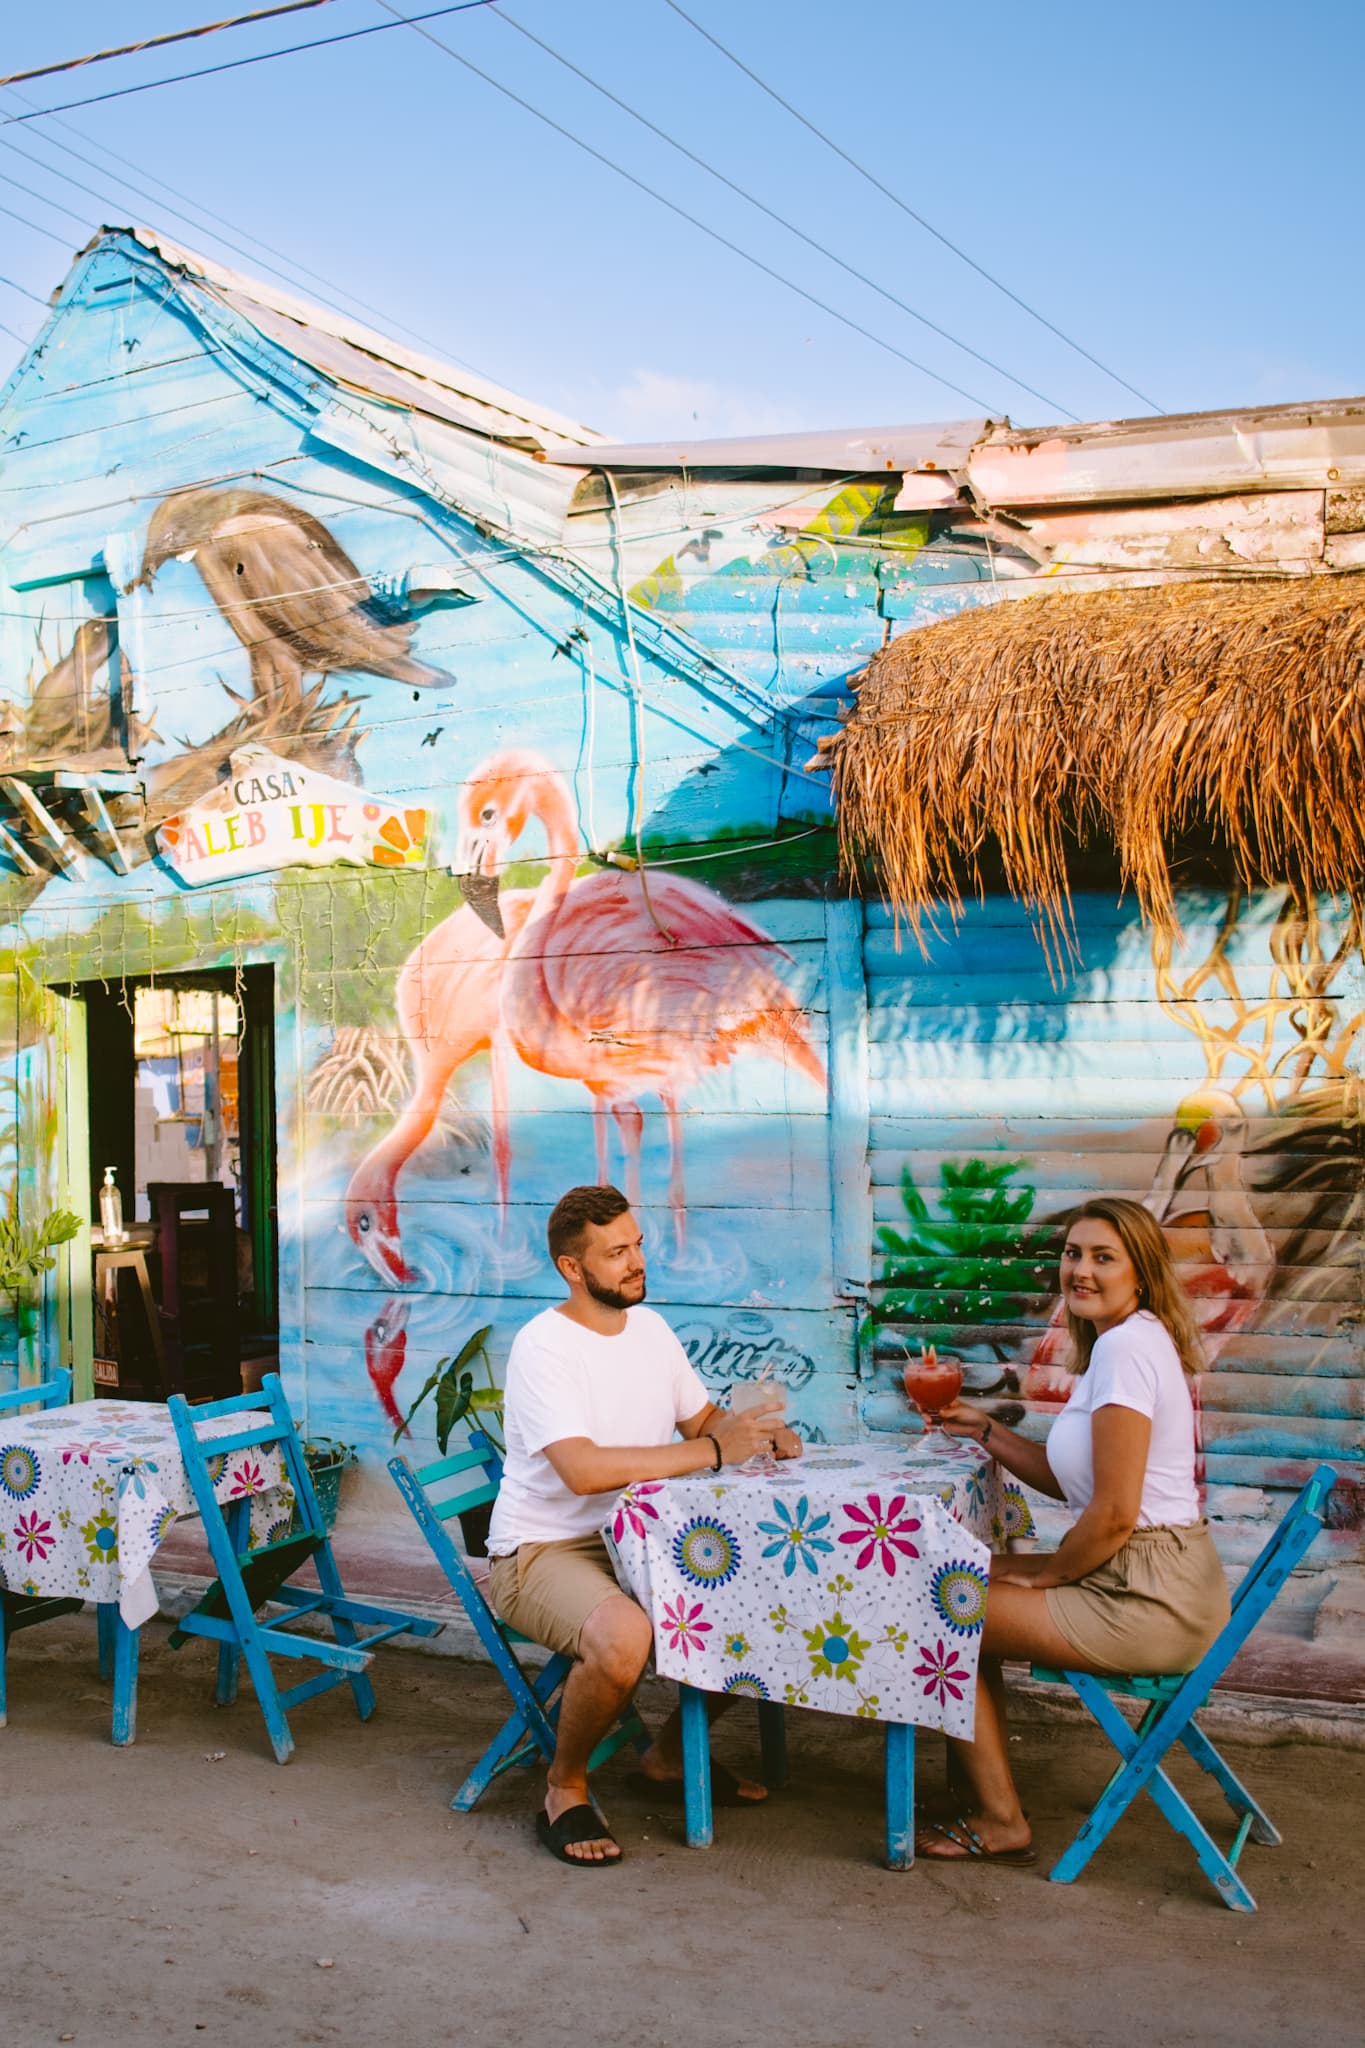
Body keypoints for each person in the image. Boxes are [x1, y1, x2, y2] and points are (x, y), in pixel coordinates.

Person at [486, 1183, 800, 1867]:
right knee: (624, 1635)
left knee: (755, 1600)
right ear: (573, 1268)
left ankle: (664, 1758)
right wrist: (717, 1450)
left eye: (636, 1245)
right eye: (616, 1252)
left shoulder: (650, 1330)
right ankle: (564, 1786)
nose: (636, 1262)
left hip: (638, 1538)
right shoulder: (544, 1347)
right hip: (542, 1549)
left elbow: (700, 1422)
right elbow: (582, 1470)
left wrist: (754, 1431)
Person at [920, 1195, 1231, 1864]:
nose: (1080, 1271)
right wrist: (988, 1430)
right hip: (1161, 1579)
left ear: (1140, 1273)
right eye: (1072, 1254)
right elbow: (1085, 1484)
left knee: (944, 1608)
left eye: (1102, 1257)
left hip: (1147, 1597)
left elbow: (1115, 1514)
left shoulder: (1125, 1352)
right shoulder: (1131, 1340)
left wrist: (1048, 1571)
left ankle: (998, 1817)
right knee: (961, 1586)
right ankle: (976, 1785)